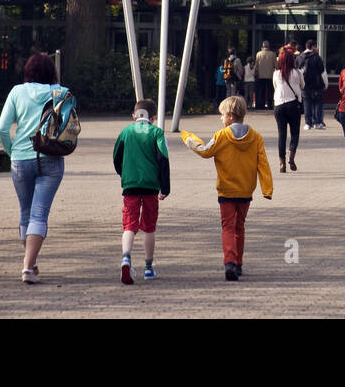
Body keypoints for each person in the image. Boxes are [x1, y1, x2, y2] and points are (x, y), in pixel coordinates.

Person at [0, 52, 70, 284]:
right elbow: (69, 126)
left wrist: (12, 151)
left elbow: (1, 128)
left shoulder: (17, 92)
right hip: (50, 158)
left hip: (20, 159)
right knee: (40, 213)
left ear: (27, 71)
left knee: (25, 212)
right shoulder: (61, 92)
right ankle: (28, 266)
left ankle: (31, 261)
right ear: (52, 72)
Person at [181, 96, 273, 282]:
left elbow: (205, 151)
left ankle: (229, 262)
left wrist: (187, 137)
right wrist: (267, 189)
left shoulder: (221, 136)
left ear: (230, 116)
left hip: (226, 190)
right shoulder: (256, 137)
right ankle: (238, 263)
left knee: (228, 227)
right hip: (246, 191)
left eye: (222, 115)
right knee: (240, 227)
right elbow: (263, 163)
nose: (221, 119)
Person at [112, 97, 170, 284]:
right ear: (153, 117)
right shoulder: (157, 133)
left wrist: (124, 174)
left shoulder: (125, 132)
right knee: (149, 227)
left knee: (129, 225)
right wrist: (165, 187)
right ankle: (148, 267)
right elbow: (163, 159)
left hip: (130, 185)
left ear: (134, 115)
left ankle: (126, 258)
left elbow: (116, 157)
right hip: (151, 186)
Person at [272, 51, 304, 172]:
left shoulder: (276, 74)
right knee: (295, 133)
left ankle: (282, 163)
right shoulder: (297, 72)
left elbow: (275, 86)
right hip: (293, 104)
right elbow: (303, 85)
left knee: (282, 134)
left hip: (279, 105)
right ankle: (291, 155)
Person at [299, 40, 327, 130]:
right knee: (317, 103)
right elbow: (323, 72)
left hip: (305, 86)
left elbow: (297, 72)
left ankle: (308, 123)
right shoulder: (317, 57)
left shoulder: (300, 57)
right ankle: (318, 122)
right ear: (313, 47)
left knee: (306, 104)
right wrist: (325, 84)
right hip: (316, 85)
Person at [254, 40, 277, 110]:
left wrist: (256, 72)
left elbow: (256, 65)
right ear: (268, 46)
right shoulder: (272, 54)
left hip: (261, 76)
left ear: (262, 46)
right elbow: (276, 65)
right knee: (270, 91)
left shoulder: (258, 54)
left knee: (261, 91)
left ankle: (261, 105)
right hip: (270, 75)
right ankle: (270, 105)